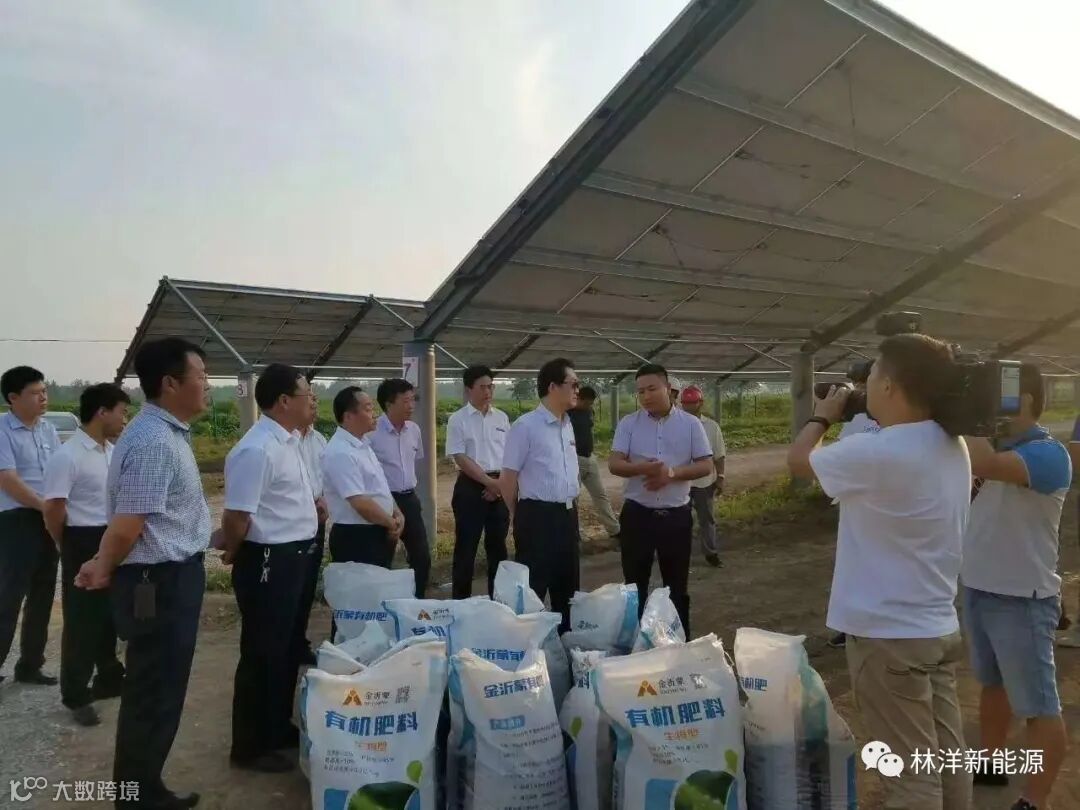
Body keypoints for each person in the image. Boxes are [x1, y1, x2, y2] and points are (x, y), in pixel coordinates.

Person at [787, 334, 972, 810]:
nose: (864, 384)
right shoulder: (951, 443)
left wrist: (822, 416)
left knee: (911, 775)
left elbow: (799, 462)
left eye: (870, 375)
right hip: (935, 625)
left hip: (888, 634)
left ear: (888, 384)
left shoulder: (878, 452)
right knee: (946, 757)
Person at [76, 337, 211, 810]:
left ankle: (144, 787)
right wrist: (102, 565)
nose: (207, 386)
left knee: (159, 689)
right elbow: (128, 524)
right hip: (158, 583)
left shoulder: (165, 434)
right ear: (171, 383)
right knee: (153, 691)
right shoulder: (154, 441)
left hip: (170, 576)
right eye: (201, 377)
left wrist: (101, 560)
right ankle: (137, 797)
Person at [961, 364, 1071, 810]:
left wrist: (964, 416)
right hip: (978, 588)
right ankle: (989, 762)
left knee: (1039, 706)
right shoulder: (992, 447)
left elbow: (985, 465)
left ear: (1022, 401)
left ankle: (1034, 799)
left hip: (1022, 599)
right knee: (993, 685)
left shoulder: (1047, 453)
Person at [220, 364, 318, 774]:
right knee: (262, 652)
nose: (312, 402)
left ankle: (277, 726)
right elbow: (237, 515)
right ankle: (249, 745)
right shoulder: (256, 449)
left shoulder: (289, 441)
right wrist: (233, 550)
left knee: (286, 648)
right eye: (306, 395)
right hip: (267, 559)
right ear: (283, 401)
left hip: (294, 556)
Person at [43, 382, 130, 727]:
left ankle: (109, 677)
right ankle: (76, 693)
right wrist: (64, 543)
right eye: (122, 412)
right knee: (82, 621)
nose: (125, 419)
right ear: (102, 412)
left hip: (111, 535)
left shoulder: (112, 452)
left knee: (111, 614)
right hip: (81, 538)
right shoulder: (68, 456)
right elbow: (53, 508)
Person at [609, 364, 712, 637]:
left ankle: (680, 642)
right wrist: (641, 468)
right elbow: (615, 463)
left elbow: (706, 465)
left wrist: (671, 474)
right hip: (637, 515)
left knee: (676, 587)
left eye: (652, 389)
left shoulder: (691, 425)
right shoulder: (629, 424)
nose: (646, 396)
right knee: (635, 587)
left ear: (668, 389)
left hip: (675, 517)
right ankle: (637, 642)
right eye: (640, 391)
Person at [500, 358, 582, 632]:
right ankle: (529, 647)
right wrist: (518, 515)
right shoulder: (526, 426)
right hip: (537, 516)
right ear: (552, 387)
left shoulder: (567, 424)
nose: (577, 390)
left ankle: (565, 643)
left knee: (568, 588)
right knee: (534, 588)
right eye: (573, 384)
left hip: (568, 515)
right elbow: (508, 478)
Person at [0, 365, 60, 687]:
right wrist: (44, 505)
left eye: (44, 391)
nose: (43, 398)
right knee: (9, 596)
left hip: (46, 519)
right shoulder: (2, 430)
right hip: (17, 520)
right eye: (36, 393)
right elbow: (8, 480)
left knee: (43, 593)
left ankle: (30, 665)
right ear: (13, 397)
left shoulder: (48, 430)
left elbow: (60, 472)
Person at [446, 365, 510, 598]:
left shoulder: (502, 418)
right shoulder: (458, 420)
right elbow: (460, 457)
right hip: (471, 486)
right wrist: (487, 482)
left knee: (498, 549)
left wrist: (498, 484)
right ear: (468, 390)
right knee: (466, 548)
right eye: (482, 387)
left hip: (500, 486)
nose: (487, 392)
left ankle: (498, 601)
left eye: (490, 386)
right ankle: (461, 603)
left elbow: (510, 455)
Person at [322, 386, 402, 567]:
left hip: (377, 529)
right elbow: (359, 502)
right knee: (362, 584)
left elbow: (379, 487)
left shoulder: (363, 445)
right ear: (348, 416)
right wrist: (391, 523)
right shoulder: (340, 452)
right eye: (368, 409)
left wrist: (397, 513)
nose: (375, 414)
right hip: (357, 537)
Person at [369, 378, 430, 597]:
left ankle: (416, 602)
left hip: (409, 499)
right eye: (405, 401)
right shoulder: (371, 433)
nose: (411, 406)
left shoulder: (414, 430)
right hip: (383, 503)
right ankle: (381, 605)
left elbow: (415, 461)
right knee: (382, 559)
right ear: (388, 404)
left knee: (421, 556)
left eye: (413, 400)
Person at [295, 391, 329, 666]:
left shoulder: (319, 441)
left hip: (317, 520)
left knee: (307, 583)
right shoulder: (286, 441)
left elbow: (325, 478)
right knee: (293, 585)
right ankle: (289, 641)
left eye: (316, 400)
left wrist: (323, 501)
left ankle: (300, 641)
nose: (314, 404)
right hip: (296, 521)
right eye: (309, 399)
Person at [678, 385, 725, 568]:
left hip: (704, 483)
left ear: (701, 403)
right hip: (681, 482)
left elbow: (719, 455)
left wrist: (721, 477)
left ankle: (711, 553)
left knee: (707, 520)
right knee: (680, 521)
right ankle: (680, 555)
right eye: (685, 403)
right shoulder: (675, 426)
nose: (689, 407)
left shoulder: (712, 427)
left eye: (692, 403)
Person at [568, 386, 620, 539]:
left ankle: (615, 530)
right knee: (573, 498)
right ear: (579, 398)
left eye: (591, 403)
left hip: (590, 458)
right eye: (587, 403)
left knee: (600, 495)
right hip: (574, 460)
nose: (589, 406)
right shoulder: (566, 413)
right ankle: (573, 533)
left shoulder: (588, 412)